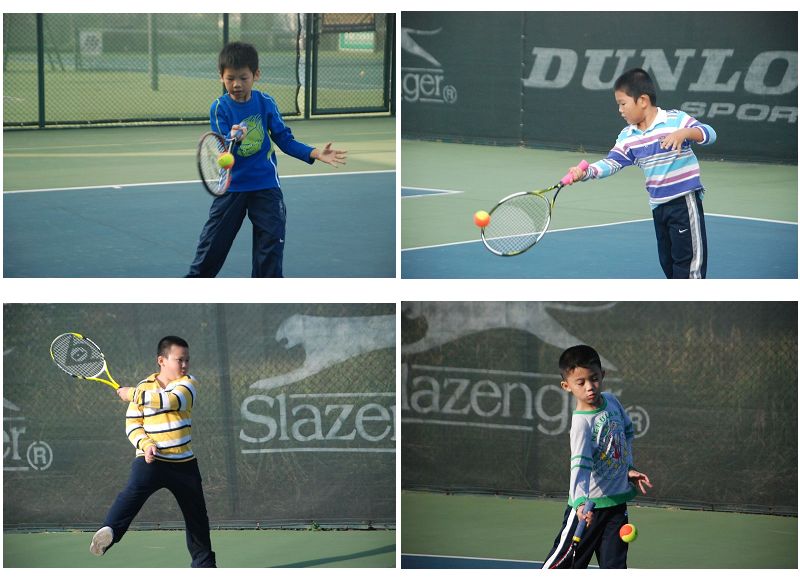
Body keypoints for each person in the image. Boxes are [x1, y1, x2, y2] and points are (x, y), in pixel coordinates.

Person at [188, 41, 347, 277]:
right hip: (232, 188)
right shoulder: (219, 107)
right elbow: (222, 147)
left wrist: (315, 152)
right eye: (230, 78)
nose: (237, 84)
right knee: (211, 248)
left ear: (256, 75)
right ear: (221, 77)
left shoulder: (266, 103)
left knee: (270, 250)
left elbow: (285, 140)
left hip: (266, 187)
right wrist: (233, 138)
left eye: (243, 78)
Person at [566, 68, 716, 279]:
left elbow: (710, 134)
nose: (620, 110)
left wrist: (685, 133)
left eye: (623, 104)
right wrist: (586, 172)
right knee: (669, 265)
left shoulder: (676, 120)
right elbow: (612, 162)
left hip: (683, 204)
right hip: (658, 208)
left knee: (688, 268)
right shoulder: (628, 136)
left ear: (643, 100)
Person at [89, 336, 216, 568]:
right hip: (151, 460)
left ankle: (204, 567)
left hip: (184, 464)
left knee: (197, 517)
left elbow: (170, 401)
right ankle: (109, 531)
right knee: (131, 493)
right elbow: (133, 425)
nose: (185, 365)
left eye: (187, 360)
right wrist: (145, 444)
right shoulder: (143, 386)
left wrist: (132, 394)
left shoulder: (188, 384)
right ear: (161, 361)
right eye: (179, 360)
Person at [543, 345, 652, 569]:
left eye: (594, 379)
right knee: (563, 567)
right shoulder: (581, 424)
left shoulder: (612, 401)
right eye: (580, 382)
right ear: (567, 386)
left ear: (602, 375)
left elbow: (625, 434)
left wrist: (628, 469)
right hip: (588, 510)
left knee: (615, 568)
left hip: (616, 505)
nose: (590, 387)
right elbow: (580, 467)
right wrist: (581, 504)